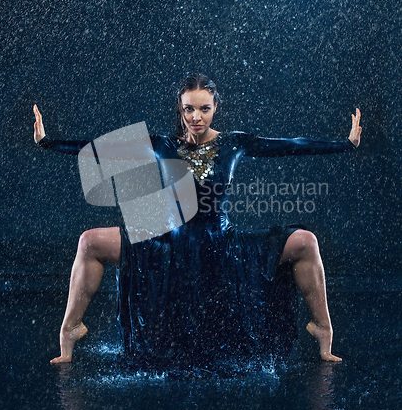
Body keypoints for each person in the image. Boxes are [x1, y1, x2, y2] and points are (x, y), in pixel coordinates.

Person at [33, 73, 362, 367]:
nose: (196, 117)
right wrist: (49, 142)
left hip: (222, 241)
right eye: (189, 109)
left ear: (215, 107)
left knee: (306, 242)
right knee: (90, 241)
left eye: (204, 108)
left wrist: (345, 144)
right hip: (170, 243)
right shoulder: (161, 145)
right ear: (180, 109)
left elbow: (291, 146)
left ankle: (322, 328)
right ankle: (71, 327)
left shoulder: (234, 142)